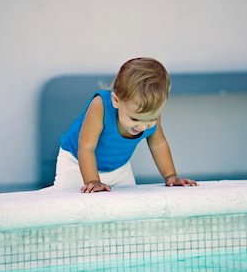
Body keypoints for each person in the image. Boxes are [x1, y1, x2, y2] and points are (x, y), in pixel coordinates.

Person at [54, 57, 198, 193]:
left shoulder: (150, 114)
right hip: (77, 163)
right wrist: (93, 181)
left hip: (118, 168)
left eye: (151, 120)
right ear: (116, 101)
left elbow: (158, 144)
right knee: (71, 204)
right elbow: (86, 147)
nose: (142, 126)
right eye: (135, 119)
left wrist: (171, 176)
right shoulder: (100, 106)